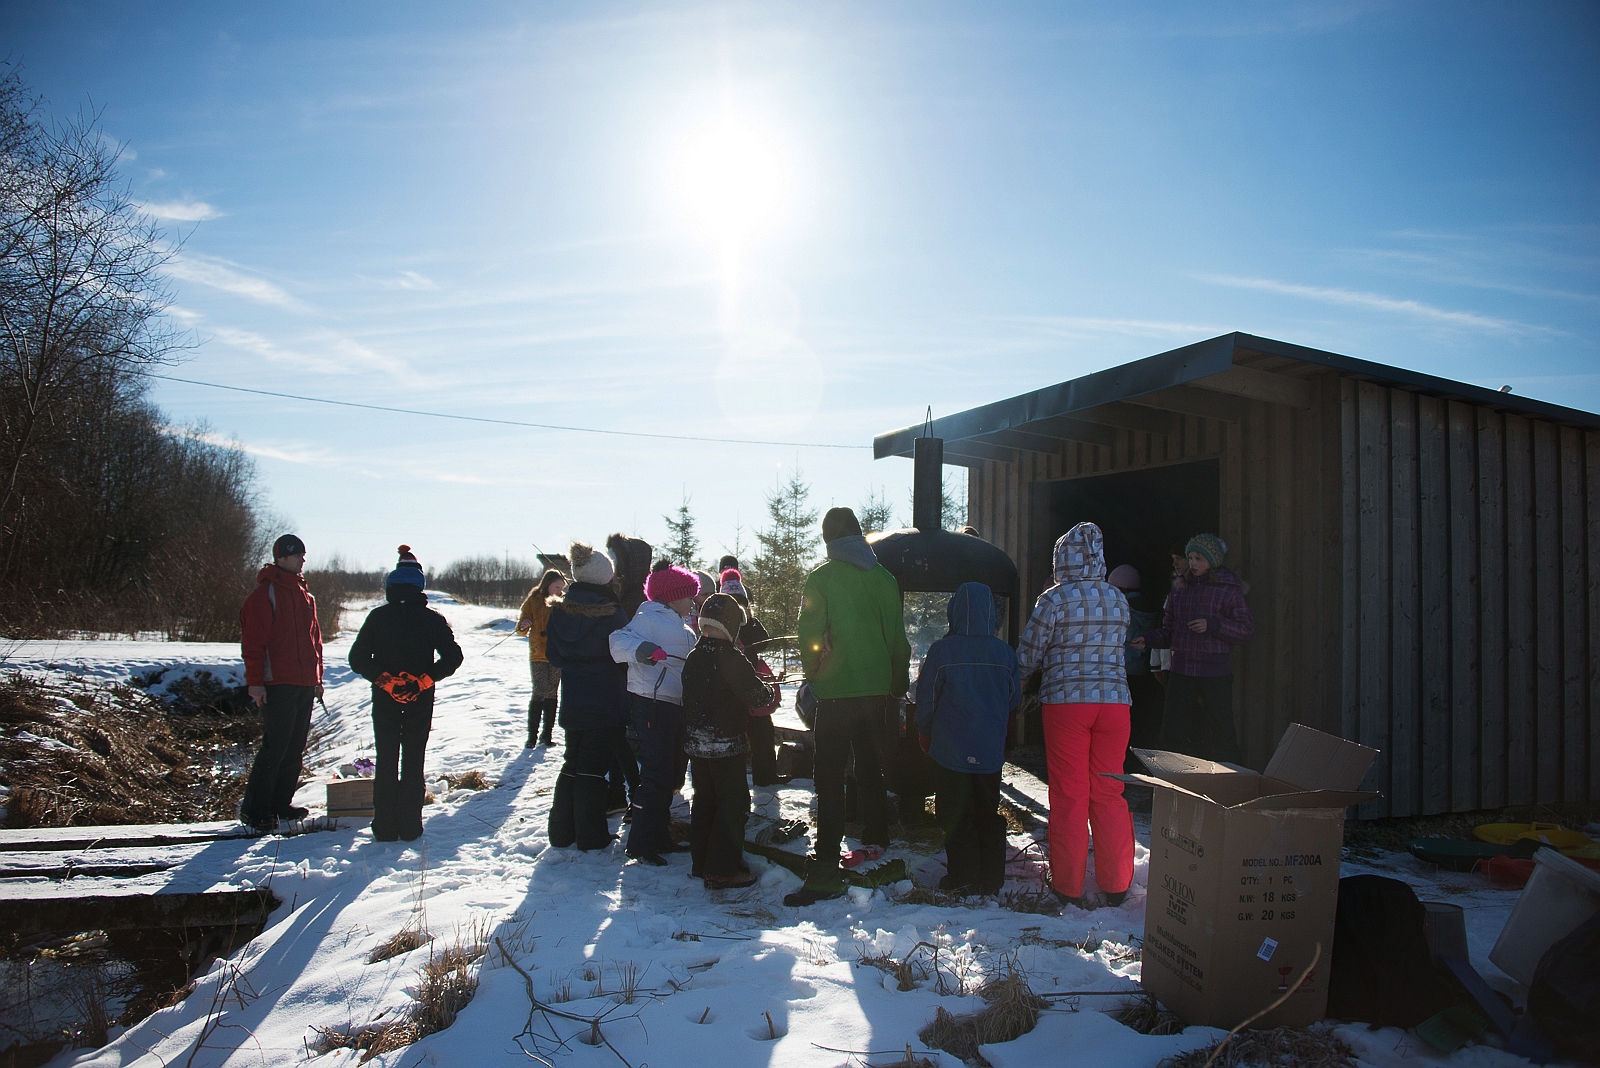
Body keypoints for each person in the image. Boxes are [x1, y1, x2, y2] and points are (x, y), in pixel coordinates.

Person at [789, 507, 911, 906]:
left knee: (828, 776)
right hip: (876, 692)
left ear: (828, 541)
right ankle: (877, 836)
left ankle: (826, 862)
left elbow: (808, 633)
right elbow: (898, 639)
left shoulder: (821, 578)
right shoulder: (885, 578)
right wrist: (897, 684)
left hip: (835, 694)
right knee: (870, 765)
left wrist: (815, 674)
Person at [1017, 522, 1134, 911]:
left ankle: (1068, 885)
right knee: (1109, 791)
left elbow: (1029, 655)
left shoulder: (1053, 599)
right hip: (1115, 704)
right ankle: (1117, 884)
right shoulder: (1118, 598)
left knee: (1070, 793)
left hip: (1067, 703)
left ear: (1061, 560)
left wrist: (1016, 682)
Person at [348, 546, 464, 842]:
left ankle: (384, 827)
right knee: (413, 760)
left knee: (386, 759)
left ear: (391, 585)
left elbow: (357, 658)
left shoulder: (377, 617)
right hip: (419, 700)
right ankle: (411, 827)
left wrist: (386, 681)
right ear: (419, 586)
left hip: (385, 699)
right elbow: (453, 657)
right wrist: (422, 681)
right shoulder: (432, 619)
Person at [914, 582, 1020, 896]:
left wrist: (925, 731)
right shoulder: (1004, 652)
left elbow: (927, 698)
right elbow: (1013, 698)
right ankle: (991, 879)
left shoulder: (942, 650)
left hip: (950, 750)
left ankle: (962, 877)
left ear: (955, 611)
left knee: (954, 813)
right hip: (989, 750)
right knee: (987, 811)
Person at [1133, 534, 1254, 764]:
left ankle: (1231, 779)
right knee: (1172, 732)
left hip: (1215, 671)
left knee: (1222, 732)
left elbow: (1246, 630)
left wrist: (1213, 625)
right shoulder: (1180, 589)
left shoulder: (1228, 590)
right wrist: (1147, 639)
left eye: (1199, 558)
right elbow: (1169, 630)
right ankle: (1168, 778)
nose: (1193, 563)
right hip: (1182, 669)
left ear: (1212, 561)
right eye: (1190, 558)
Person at [681, 593, 774, 888]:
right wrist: (768, 690)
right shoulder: (732, 659)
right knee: (733, 805)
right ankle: (722, 869)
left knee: (704, 801)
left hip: (697, 746)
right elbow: (756, 697)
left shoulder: (694, 657)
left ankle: (702, 862)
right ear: (732, 626)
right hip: (726, 746)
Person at [609, 560, 698, 866]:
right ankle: (640, 843)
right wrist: (644, 650)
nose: (692, 602)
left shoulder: (681, 625)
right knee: (656, 775)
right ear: (672, 596)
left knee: (668, 775)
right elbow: (616, 642)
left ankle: (659, 836)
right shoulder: (648, 618)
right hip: (653, 703)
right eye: (688, 596)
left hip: (673, 705)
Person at [545, 541, 630, 851]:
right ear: (605, 577)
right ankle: (591, 836)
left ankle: (561, 832)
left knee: (572, 762)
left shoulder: (559, 612)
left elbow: (553, 656)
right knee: (593, 769)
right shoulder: (612, 613)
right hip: (606, 699)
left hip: (573, 698)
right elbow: (623, 655)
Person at [238, 533, 324, 833]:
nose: (302, 560)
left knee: (294, 747)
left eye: (303, 555)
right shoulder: (265, 594)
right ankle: (254, 810)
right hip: (278, 682)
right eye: (297, 555)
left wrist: (317, 678)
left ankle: (280, 804)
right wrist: (255, 683)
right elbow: (253, 642)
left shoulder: (305, 595)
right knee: (275, 747)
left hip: (304, 683)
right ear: (282, 558)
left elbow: (315, 642)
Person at [721, 567, 781, 786]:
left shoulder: (749, 625)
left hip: (751, 684)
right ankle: (741, 778)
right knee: (745, 734)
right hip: (734, 689)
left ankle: (765, 775)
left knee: (763, 732)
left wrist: (751, 621)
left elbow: (764, 642)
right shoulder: (723, 628)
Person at [1109, 564, 1164, 773]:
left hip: (1122, 669)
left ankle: (1123, 761)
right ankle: (1138, 760)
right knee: (1140, 717)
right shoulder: (1148, 609)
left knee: (1121, 719)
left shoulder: (1121, 608)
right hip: (1142, 669)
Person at [515, 568, 567, 748]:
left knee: (552, 693)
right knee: (539, 691)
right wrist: (524, 625)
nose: (559, 591)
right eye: (556, 587)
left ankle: (547, 735)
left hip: (556, 654)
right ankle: (532, 736)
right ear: (547, 584)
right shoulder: (533, 600)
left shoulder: (562, 603)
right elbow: (520, 629)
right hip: (538, 654)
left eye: (562, 588)